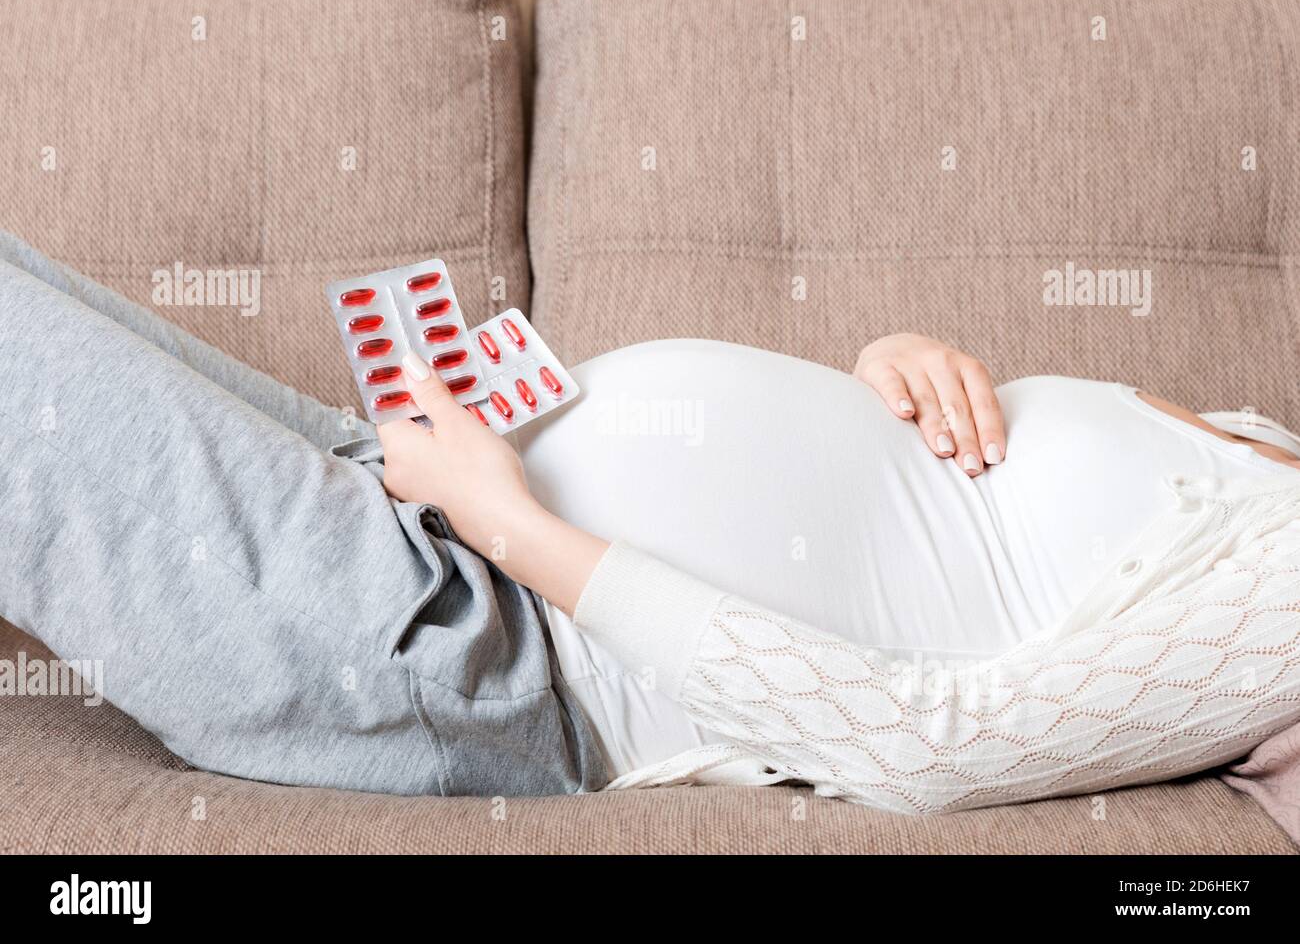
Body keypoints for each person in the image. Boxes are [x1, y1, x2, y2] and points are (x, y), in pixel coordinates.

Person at [4, 230, 1299, 812]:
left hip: (478, 644)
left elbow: (929, 748)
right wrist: (892, 377)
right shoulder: (1268, 450)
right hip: (438, 485)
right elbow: (975, 564)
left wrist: (507, 523)